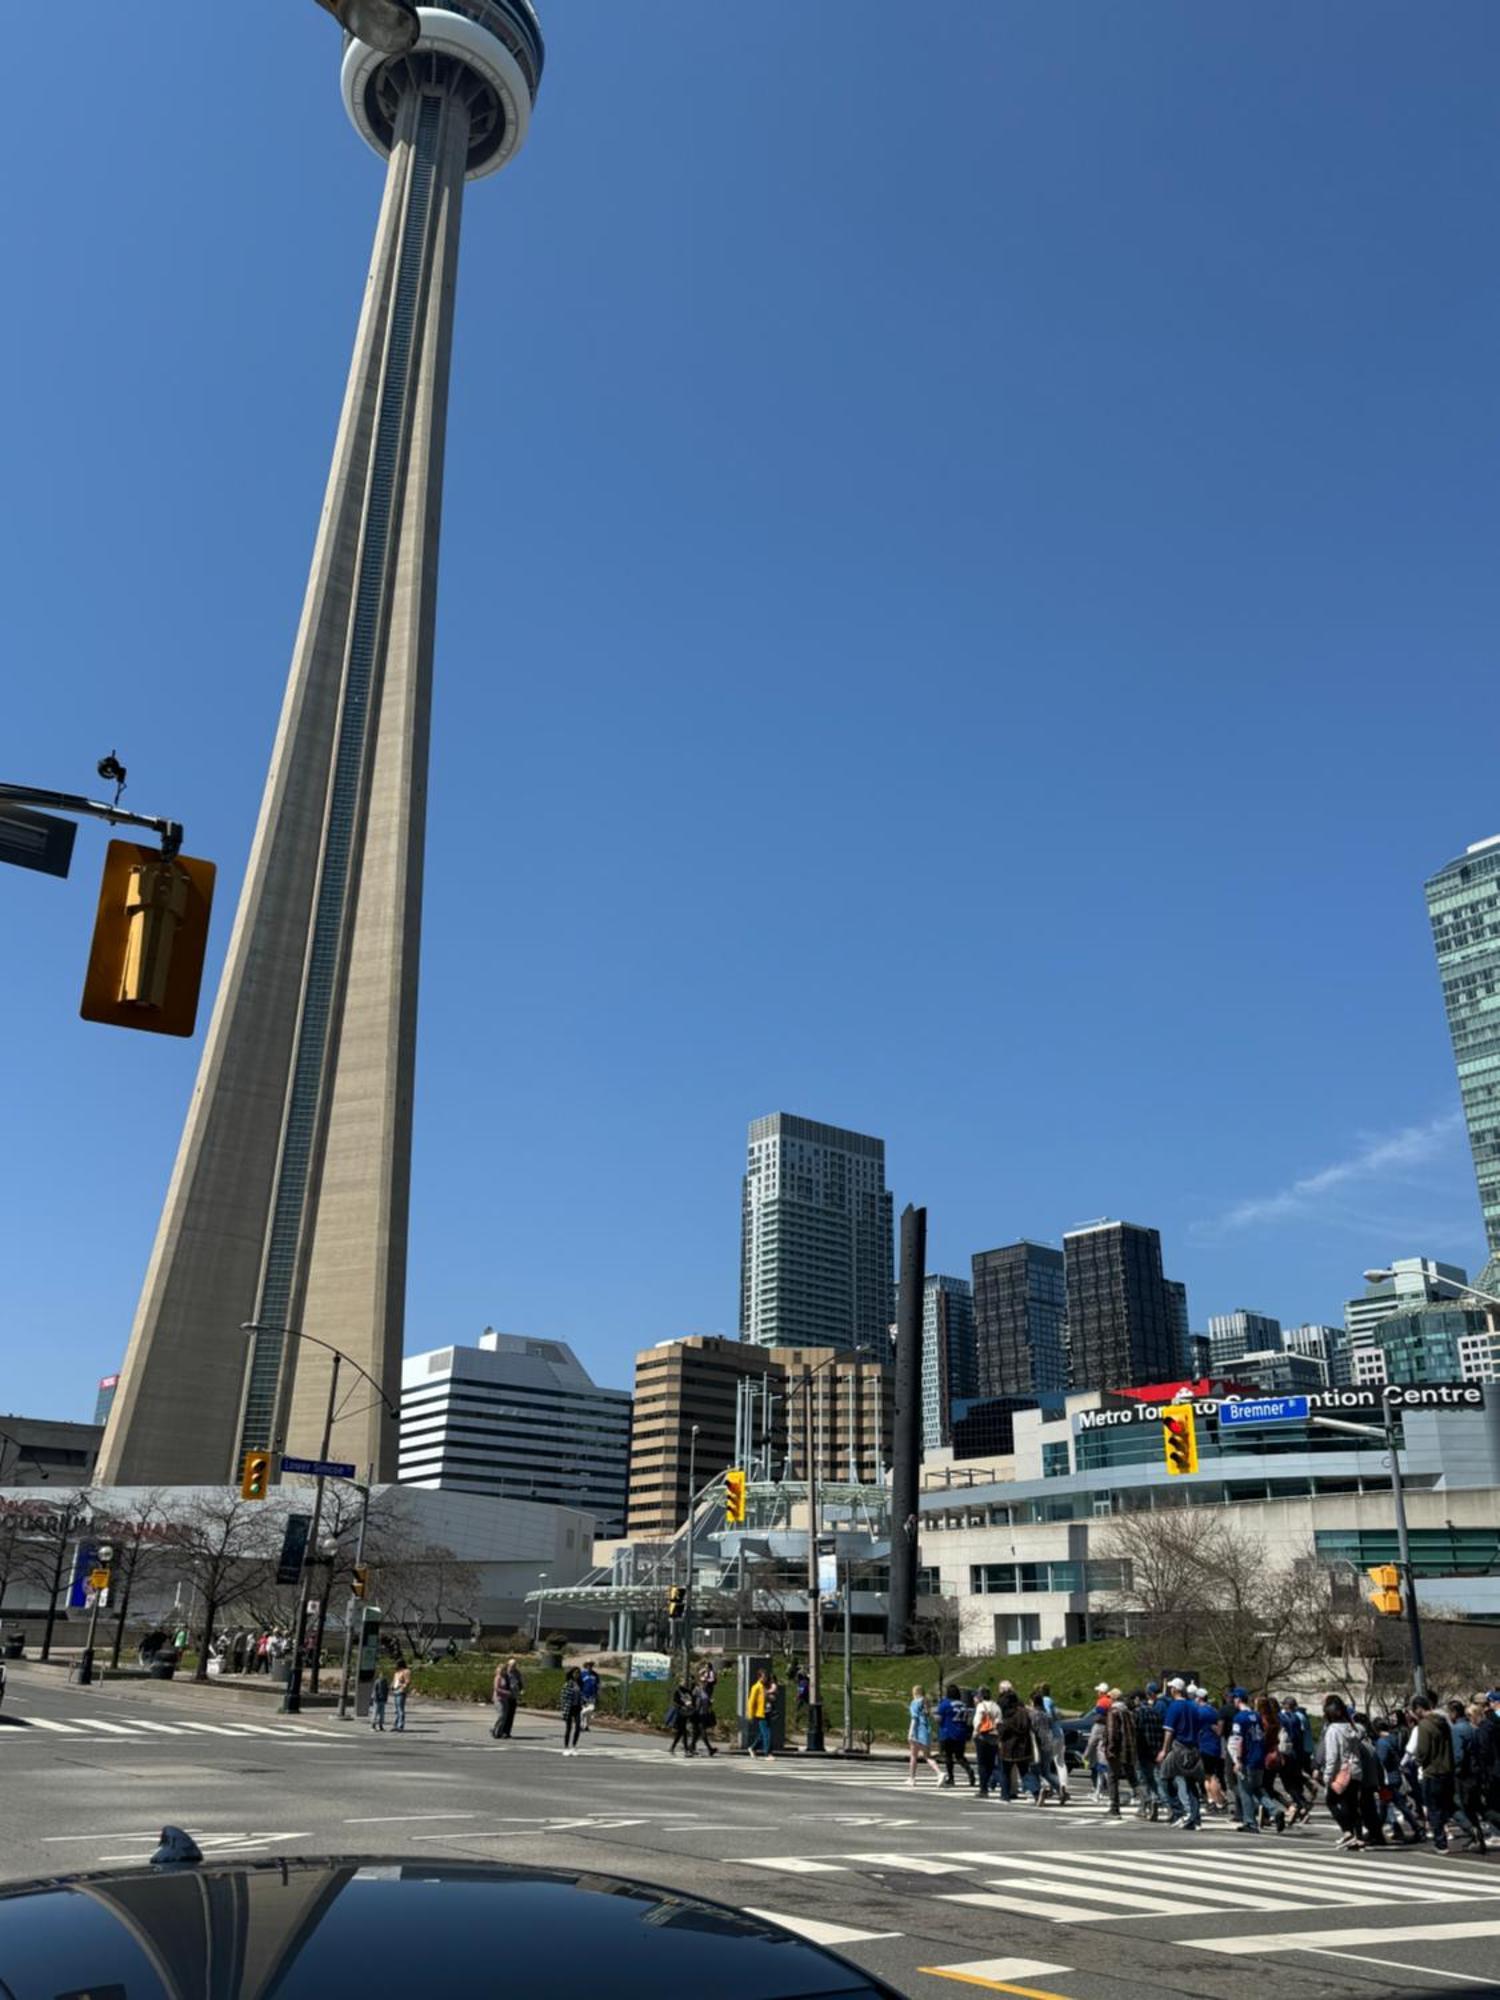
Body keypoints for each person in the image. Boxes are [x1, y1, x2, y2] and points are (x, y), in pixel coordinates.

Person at [1407, 1694, 1459, 1853]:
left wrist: (1418, 1761)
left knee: (1433, 1808)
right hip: (1447, 1769)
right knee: (1446, 1805)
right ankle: (1471, 1828)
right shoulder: (1444, 1722)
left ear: (1419, 1709)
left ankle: (1440, 1842)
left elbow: (1422, 1750)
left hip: (1432, 1771)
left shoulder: (1424, 1725)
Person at [1227, 1688, 1278, 1834]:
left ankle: (1250, 1822)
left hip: (1247, 1759)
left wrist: (1237, 1760)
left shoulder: (1239, 1718)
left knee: (1245, 1791)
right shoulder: (1256, 1716)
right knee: (1257, 1788)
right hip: (1259, 1757)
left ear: (1238, 1699)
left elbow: (1237, 1740)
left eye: (1234, 1698)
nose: (1233, 1701)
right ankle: (1274, 1810)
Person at [1158, 1676, 1203, 1830]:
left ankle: (1178, 1812)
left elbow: (1169, 1731)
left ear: (1175, 1690)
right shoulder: (1193, 1706)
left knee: (1164, 1776)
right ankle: (1196, 1818)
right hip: (1194, 1748)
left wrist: (1164, 1750)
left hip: (1179, 1746)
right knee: (1191, 1783)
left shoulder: (1174, 1707)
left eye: (1171, 1688)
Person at [1132, 1686, 1167, 1821]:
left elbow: (1136, 1732)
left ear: (1137, 1699)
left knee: (1142, 1779)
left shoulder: (1137, 1712)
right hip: (1155, 1749)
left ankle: (1144, 1806)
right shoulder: (1155, 1712)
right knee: (1154, 1778)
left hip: (1142, 1750)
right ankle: (1155, 1801)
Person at [994, 1681, 1033, 1802]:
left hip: (1008, 1747)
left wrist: (998, 1727)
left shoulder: (1007, 1716)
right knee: (1025, 1772)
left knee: (1005, 1772)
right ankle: (1034, 1791)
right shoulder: (1023, 1711)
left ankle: (1005, 1795)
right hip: (1023, 1746)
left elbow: (1003, 1731)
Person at [1103, 1685, 1137, 1818]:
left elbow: (1112, 1732)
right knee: (1133, 1778)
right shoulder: (1128, 1711)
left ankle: (1114, 1808)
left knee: (1112, 1778)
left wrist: (1110, 1748)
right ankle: (1148, 1801)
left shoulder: (1113, 1711)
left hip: (1116, 1750)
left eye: (1110, 1697)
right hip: (1128, 1749)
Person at [937, 1684, 975, 1788]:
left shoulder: (945, 1704)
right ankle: (969, 1770)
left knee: (948, 1756)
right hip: (961, 1733)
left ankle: (951, 1778)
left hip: (948, 1732)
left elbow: (939, 1719)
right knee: (960, 1756)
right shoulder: (963, 1705)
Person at [906, 1686, 942, 1786]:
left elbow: (914, 1719)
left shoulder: (914, 1703)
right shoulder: (925, 1703)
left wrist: (910, 1732)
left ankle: (912, 1778)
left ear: (915, 1693)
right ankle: (939, 1773)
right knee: (927, 1756)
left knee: (913, 1755)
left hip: (917, 1732)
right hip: (926, 1731)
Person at [972, 1686, 1001, 1799]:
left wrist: (975, 1732)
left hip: (982, 1737)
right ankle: (989, 1782)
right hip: (994, 1736)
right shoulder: (996, 1706)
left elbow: (978, 1722)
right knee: (990, 1763)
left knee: (982, 1764)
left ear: (981, 1696)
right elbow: (999, 1721)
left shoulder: (981, 1706)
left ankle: (983, 1789)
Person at [691, 1672, 718, 1757]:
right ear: (699, 1682)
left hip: (704, 1714)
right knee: (702, 1732)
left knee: (697, 1733)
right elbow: (693, 1701)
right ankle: (710, 1749)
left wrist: (710, 1702)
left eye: (705, 1682)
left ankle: (690, 1747)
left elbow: (706, 1702)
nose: (704, 1683)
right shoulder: (697, 1690)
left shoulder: (705, 1691)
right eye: (702, 1681)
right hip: (698, 1714)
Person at [746, 1667, 771, 1759]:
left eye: (766, 1677)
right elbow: (751, 1702)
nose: (765, 1678)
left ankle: (752, 1748)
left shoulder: (766, 1686)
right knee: (767, 1733)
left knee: (762, 1733)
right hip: (760, 1714)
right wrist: (750, 1715)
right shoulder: (756, 1687)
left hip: (768, 1712)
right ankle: (767, 1753)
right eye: (764, 1677)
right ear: (759, 1677)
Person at [667, 1677, 696, 1755]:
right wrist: (684, 1704)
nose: (685, 1683)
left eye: (687, 1681)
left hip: (686, 1713)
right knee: (684, 1731)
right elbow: (675, 1701)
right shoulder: (678, 1691)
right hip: (679, 1713)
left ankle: (672, 1747)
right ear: (680, 1682)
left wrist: (691, 1705)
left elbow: (693, 1700)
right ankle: (686, 1750)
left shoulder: (688, 1691)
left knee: (680, 1732)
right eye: (683, 1681)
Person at [560, 1666, 585, 1755]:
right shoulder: (568, 1684)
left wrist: (583, 1702)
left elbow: (582, 1695)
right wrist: (563, 1708)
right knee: (569, 1728)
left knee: (578, 1727)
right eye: (575, 1673)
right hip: (569, 1707)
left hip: (577, 1707)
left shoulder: (580, 1684)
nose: (577, 1675)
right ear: (572, 1674)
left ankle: (574, 1746)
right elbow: (563, 1697)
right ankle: (566, 1747)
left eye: (578, 1673)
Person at [491, 1659, 512, 1740]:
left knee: (505, 1716)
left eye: (503, 1669)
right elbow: (496, 1688)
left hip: (505, 1699)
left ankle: (499, 1732)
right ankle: (494, 1729)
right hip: (498, 1698)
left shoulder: (505, 1677)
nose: (502, 1671)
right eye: (501, 1669)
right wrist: (506, 1692)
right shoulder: (498, 1677)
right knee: (501, 1715)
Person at [579, 1661, 600, 1732]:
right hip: (583, 1695)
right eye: (588, 1665)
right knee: (586, 1712)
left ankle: (586, 1725)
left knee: (590, 1710)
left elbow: (598, 1685)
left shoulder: (595, 1675)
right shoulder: (582, 1674)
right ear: (586, 1665)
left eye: (591, 1665)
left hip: (592, 1695)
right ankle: (582, 1725)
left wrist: (598, 1693)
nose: (590, 1666)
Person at [391, 1662, 411, 1733]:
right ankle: (396, 1725)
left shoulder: (406, 1671)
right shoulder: (396, 1673)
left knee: (400, 1709)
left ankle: (400, 1725)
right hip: (395, 1691)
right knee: (397, 1709)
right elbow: (394, 1681)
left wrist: (402, 1686)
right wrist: (392, 1686)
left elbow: (407, 1681)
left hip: (400, 1691)